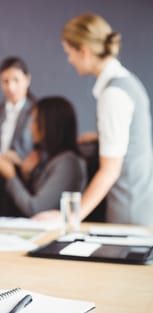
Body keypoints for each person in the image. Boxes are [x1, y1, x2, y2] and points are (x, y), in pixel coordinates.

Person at [37, 13, 153, 225]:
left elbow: (110, 170)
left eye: (69, 52)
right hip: (140, 207)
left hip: (128, 213)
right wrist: (99, 137)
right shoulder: (127, 82)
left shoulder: (113, 95)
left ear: (84, 51)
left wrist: (72, 217)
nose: (69, 60)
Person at [0, 96, 86, 217]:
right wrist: (26, 174)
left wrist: (10, 175)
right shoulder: (49, 159)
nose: (31, 127)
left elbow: (35, 209)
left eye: (36, 121)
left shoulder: (68, 163)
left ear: (51, 124)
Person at [0, 56, 35, 212]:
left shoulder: (37, 112)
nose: (10, 87)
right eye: (5, 81)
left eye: (16, 80)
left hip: (25, 185)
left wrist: (18, 158)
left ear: (27, 79)